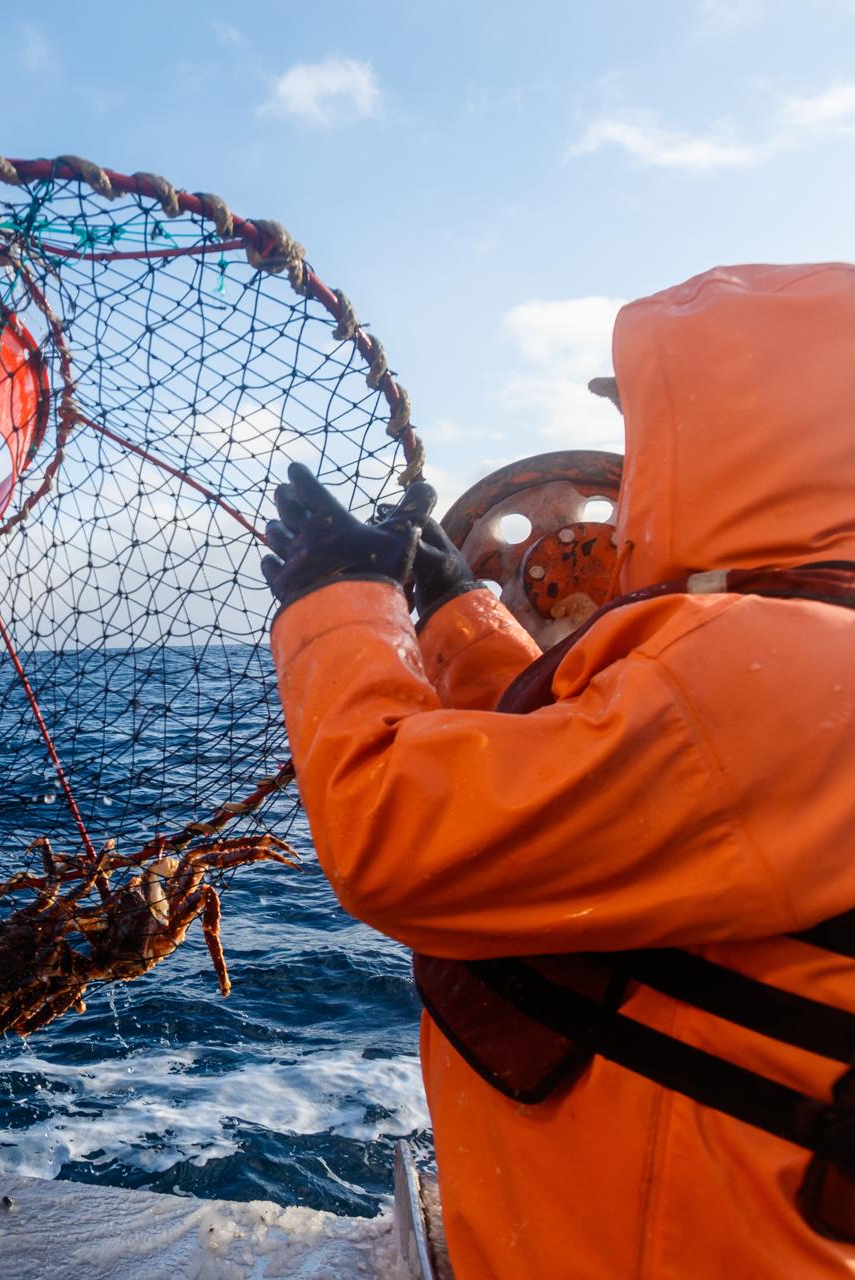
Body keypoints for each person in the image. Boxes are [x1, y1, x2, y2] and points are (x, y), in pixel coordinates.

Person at [260, 263, 855, 1278]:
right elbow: (582, 771)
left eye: (654, 428)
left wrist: (337, 604)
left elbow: (394, 836)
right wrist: (453, 607)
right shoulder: (798, 651)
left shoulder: (784, 671)